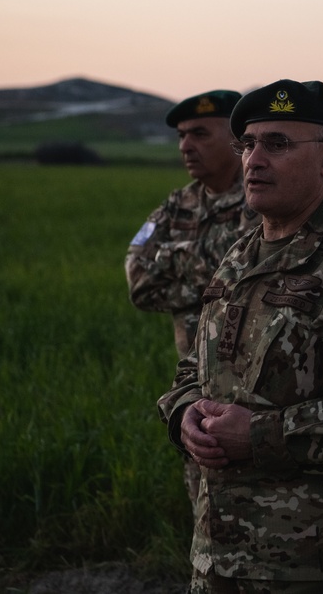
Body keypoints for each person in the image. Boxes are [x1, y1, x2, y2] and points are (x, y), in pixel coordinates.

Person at [157, 79, 323, 594]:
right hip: (218, 557)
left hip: (319, 565)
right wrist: (184, 412)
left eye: (277, 144)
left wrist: (259, 436)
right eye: (248, 144)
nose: (254, 159)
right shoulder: (239, 255)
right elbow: (198, 368)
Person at [125, 89, 260, 509]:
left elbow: (260, 289)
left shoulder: (265, 199)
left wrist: (180, 262)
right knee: (205, 507)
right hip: (197, 386)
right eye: (182, 136)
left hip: (263, 392)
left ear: (236, 139)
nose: (186, 146)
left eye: (199, 133)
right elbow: (140, 283)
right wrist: (216, 282)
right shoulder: (175, 207)